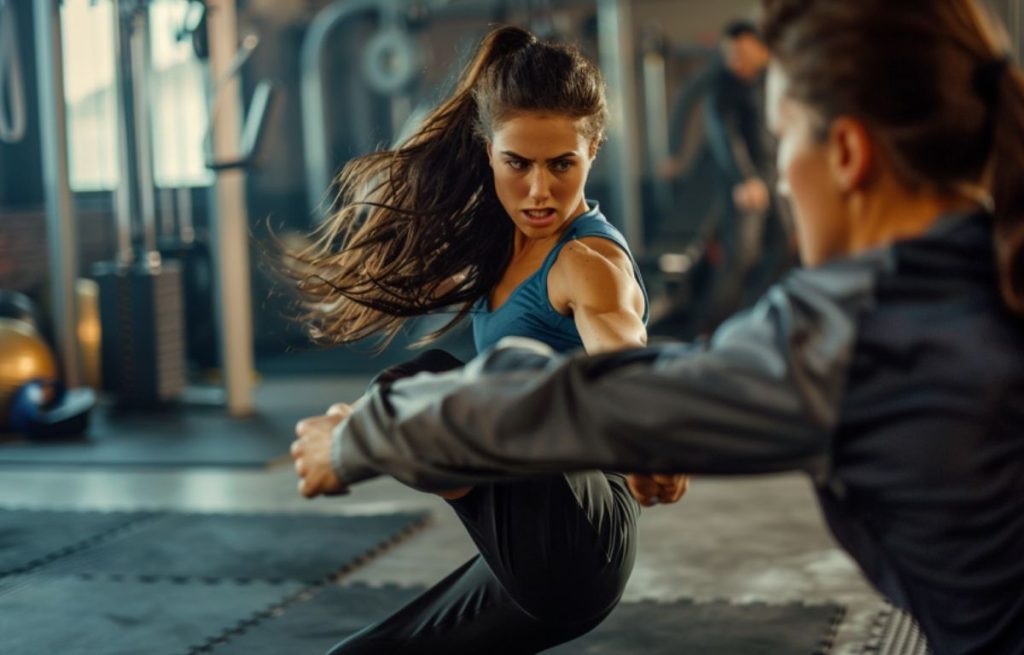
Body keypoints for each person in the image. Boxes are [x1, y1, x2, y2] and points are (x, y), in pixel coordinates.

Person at [292, 1, 1024, 653]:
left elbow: (582, 390)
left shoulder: (851, 336)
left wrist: (361, 434)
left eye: (781, 142)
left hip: (573, 541)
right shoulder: (987, 281)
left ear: (846, 154)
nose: (776, 181)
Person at [287, 25, 688, 654]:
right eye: (516, 163)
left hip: (580, 540)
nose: (539, 190)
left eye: (563, 164)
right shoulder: (501, 242)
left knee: (471, 377)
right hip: (525, 562)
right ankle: (370, 431)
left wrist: (651, 438)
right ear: (487, 151)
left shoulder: (586, 261)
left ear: (593, 151)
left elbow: (622, 352)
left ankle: (358, 434)